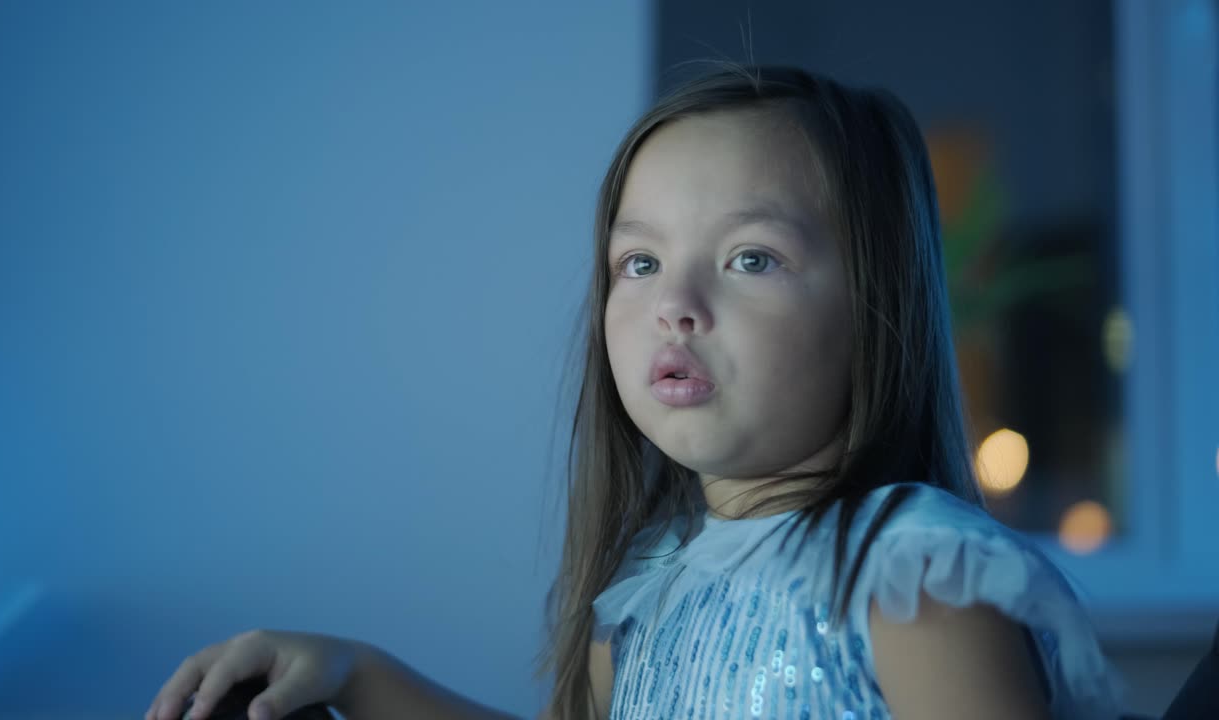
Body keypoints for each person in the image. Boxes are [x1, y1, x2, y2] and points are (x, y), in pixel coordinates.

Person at [145, 64, 1125, 720]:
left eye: (749, 257)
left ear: (879, 308)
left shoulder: (913, 578)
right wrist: (362, 676)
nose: (675, 306)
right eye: (639, 264)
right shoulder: (652, 588)